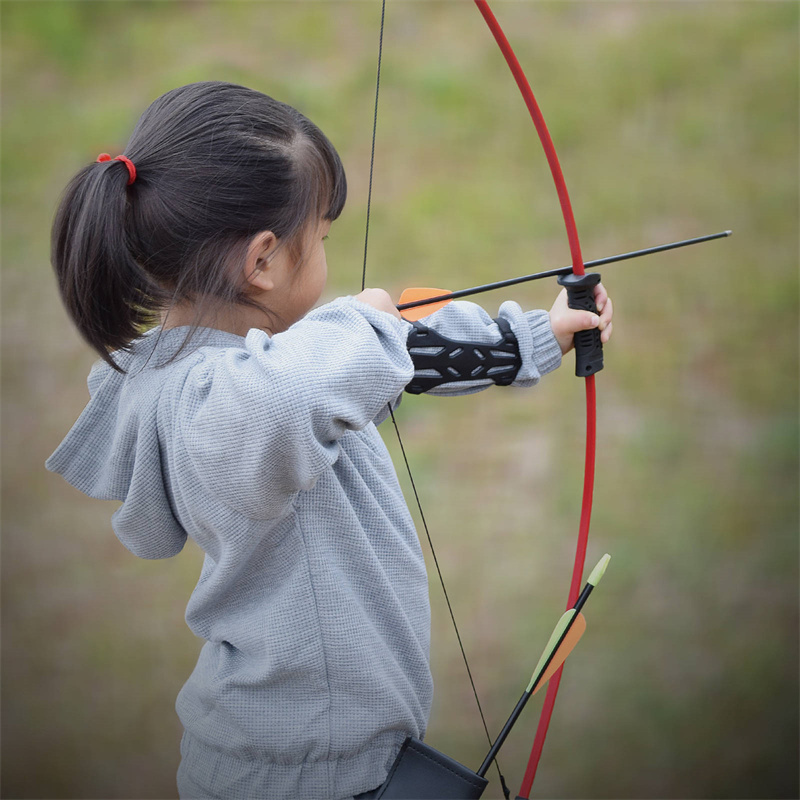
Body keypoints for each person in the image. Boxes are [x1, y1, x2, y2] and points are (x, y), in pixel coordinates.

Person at [46, 81, 613, 800]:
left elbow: (396, 361)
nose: (329, 261)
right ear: (262, 262)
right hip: (298, 774)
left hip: (312, 758)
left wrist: (533, 337)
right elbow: (314, 381)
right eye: (320, 240)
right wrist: (364, 322)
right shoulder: (211, 404)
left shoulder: (270, 368)